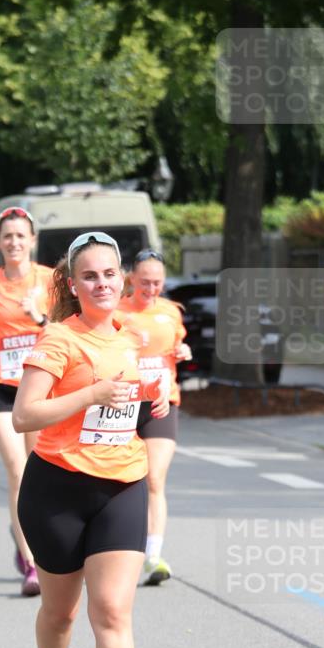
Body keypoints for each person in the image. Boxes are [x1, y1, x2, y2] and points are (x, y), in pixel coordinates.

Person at [13, 232, 169, 648]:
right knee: (61, 614)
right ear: (72, 285)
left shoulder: (134, 334)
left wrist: (159, 397)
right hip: (57, 489)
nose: (102, 284)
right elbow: (25, 416)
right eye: (90, 276)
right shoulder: (59, 338)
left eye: (109, 274)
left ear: (123, 279)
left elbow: (145, 395)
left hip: (122, 486)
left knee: (113, 613)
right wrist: (91, 395)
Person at [0, 206, 54, 597]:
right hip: (1, 389)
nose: (14, 242)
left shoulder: (51, 280)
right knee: (18, 471)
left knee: (38, 473)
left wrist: (37, 317)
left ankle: (23, 528)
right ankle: (32, 564)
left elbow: (65, 334)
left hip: (38, 390)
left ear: (32, 241)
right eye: (8, 236)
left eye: (21, 235)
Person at [117, 249, 191, 585]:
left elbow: (177, 347)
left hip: (163, 401)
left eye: (157, 282)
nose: (151, 288)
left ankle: (153, 556)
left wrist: (183, 351)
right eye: (145, 281)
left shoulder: (171, 312)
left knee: (154, 479)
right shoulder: (117, 312)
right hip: (125, 404)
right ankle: (116, 550)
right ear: (131, 278)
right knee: (121, 480)